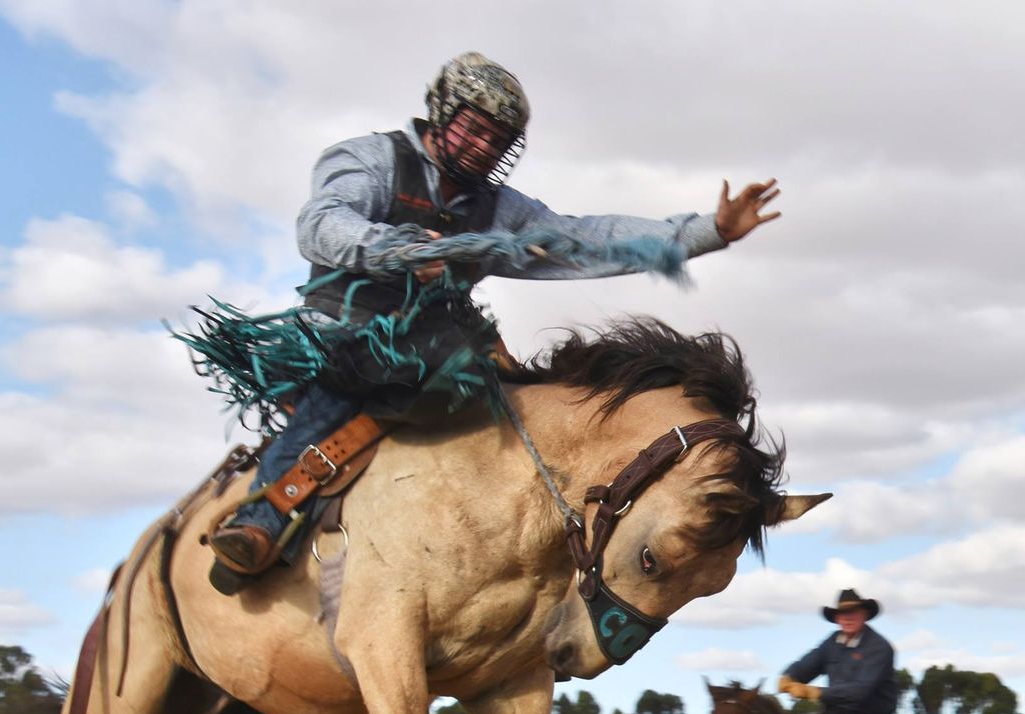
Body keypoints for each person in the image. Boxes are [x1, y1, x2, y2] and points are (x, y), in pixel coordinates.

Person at [208, 51, 781, 586]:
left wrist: (709, 231)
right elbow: (322, 225)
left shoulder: (500, 208)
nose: (484, 146)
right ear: (441, 112)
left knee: (509, 394)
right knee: (354, 378)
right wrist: (407, 251)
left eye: (499, 139)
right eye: (474, 128)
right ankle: (262, 515)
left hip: (436, 346)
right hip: (343, 331)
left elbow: (584, 238)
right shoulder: (371, 160)